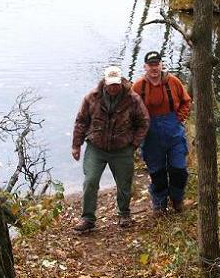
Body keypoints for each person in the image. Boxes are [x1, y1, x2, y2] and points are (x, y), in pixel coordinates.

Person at [71, 66, 149, 232]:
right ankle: (87, 218)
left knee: (124, 183)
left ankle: (124, 213)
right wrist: (76, 145)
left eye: (116, 84)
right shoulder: (91, 98)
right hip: (96, 147)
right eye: (111, 84)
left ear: (121, 82)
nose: (114, 87)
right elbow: (81, 121)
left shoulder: (133, 99)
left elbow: (144, 122)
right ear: (105, 82)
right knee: (90, 181)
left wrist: (134, 144)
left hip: (122, 148)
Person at [132, 51, 192, 216]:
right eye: (150, 65)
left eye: (157, 64)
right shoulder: (138, 86)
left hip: (174, 133)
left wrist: (179, 118)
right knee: (157, 173)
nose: (154, 68)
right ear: (145, 67)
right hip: (151, 136)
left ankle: (177, 200)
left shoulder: (173, 81)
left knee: (179, 169)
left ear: (161, 65)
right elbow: (130, 110)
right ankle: (159, 205)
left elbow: (186, 101)